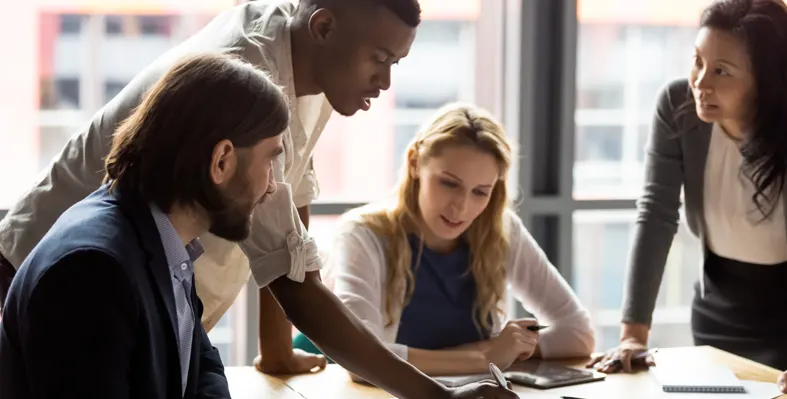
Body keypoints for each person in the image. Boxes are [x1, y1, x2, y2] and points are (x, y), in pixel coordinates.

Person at [0, 0, 418, 375]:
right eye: (379, 59)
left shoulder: (320, 60)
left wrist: (277, 349)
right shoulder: (249, 80)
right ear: (324, 28)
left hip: (138, 291)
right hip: (69, 285)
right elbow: (297, 284)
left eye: (397, 63)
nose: (384, 82)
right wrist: (439, 395)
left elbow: (291, 201)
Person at [0, 53, 285, 399]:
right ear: (221, 161)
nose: (271, 186)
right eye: (270, 159)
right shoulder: (93, 272)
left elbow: (203, 367)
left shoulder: (163, 240)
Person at [294, 103, 596, 376]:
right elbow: (361, 361)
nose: (461, 208)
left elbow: (579, 333)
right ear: (415, 163)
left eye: (481, 191)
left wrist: (511, 348)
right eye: (449, 183)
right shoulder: (363, 235)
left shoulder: (500, 230)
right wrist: (486, 356)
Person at [585, 0, 787, 392]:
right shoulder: (678, 107)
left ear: (766, 79)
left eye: (721, 71)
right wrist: (633, 334)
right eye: (698, 61)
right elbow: (657, 214)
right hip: (718, 306)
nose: (700, 82)